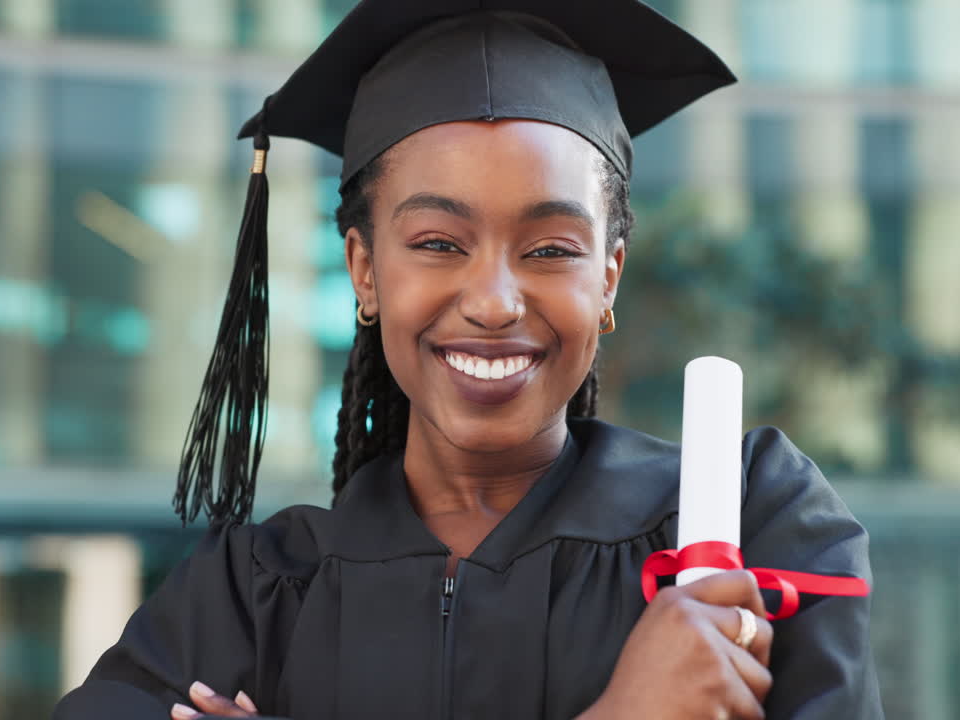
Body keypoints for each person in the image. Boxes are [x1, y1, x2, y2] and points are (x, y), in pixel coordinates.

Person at [54, 1, 883, 718]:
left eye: (553, 248)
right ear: (366, 270)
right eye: (439, 242)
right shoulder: (252, 595)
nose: (493, 301)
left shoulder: (745, 524)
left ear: (609, 276)